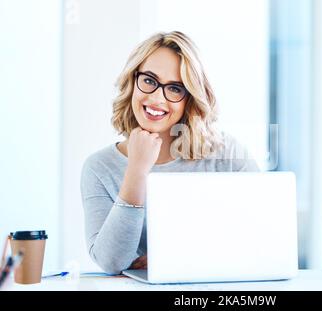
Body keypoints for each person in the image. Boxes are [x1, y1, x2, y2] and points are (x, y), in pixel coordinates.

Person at [80, 31, 259, 274]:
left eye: (175, 88)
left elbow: (262, 235)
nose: (156, 98)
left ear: (190, 98)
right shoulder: (99, 168)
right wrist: (137, 171)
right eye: (150, 81)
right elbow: (111, 262)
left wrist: (178, 257)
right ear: (133, 81)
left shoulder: (228, 155)